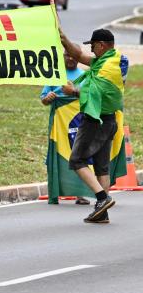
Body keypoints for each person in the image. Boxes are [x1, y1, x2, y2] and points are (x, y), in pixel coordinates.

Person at [59, 27, 128, 223]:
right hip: (109, 121)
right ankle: (102, 213)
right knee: (101, 168)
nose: (91, 51)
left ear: (102, 45)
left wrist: (72, 91)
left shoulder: (108, 68)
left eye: (94, 46)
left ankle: (101, 198)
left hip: (94, 121)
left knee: (77, 160)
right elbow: (78, 54)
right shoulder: (112, 60)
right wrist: (63, 38)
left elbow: (95, 94)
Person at [40, 51, 90, 206]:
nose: (70, 58)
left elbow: (89, 97)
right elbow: (44, 99)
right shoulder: (55, 76)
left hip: (80, 123)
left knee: (81, 154)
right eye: (67, 55)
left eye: (73, 55)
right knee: (57, 154)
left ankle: (81, 193)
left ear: (78, 57)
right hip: (59, 125)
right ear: (62, 57)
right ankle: (55, 192)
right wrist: (47, 99)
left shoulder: (84, 75)